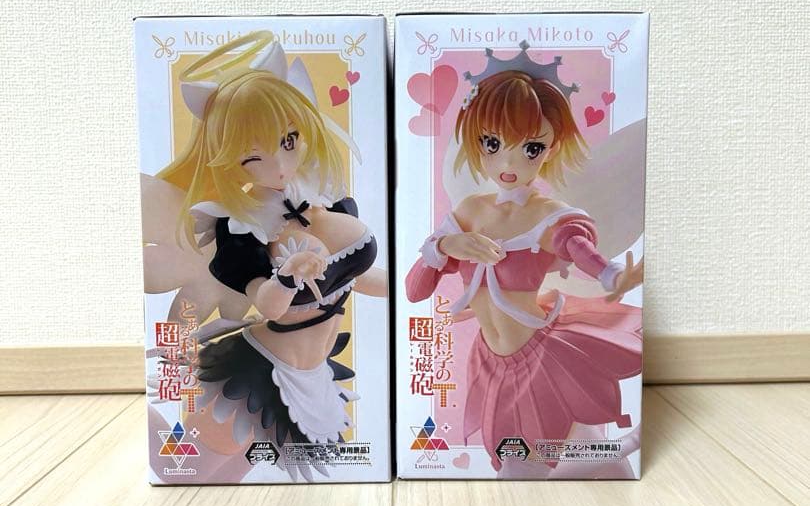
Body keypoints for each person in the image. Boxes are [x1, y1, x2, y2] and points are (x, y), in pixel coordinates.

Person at [155, 31, 387, 480]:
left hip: (313, 371)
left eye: (289, 140)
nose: (278, 166)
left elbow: (358, 278)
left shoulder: (329, 199)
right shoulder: (240, 226)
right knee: (195, 468)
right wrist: (287, 276)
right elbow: (268, 304)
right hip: (258, 371)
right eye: (252, 158)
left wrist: (432, 270)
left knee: (246, 472)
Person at [405, 60, 642, 475]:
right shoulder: (469, 211)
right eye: (493, 143)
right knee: (538, 460)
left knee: (543, 463)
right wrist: (445, 245)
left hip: (545, 356)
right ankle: (612, 454)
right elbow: (415, 290)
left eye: (530, 148)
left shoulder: (549, 215)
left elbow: (578, 249)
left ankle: (615, 455)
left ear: (551, 148)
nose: (509, 162)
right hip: (493, 360)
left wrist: (613, 275)